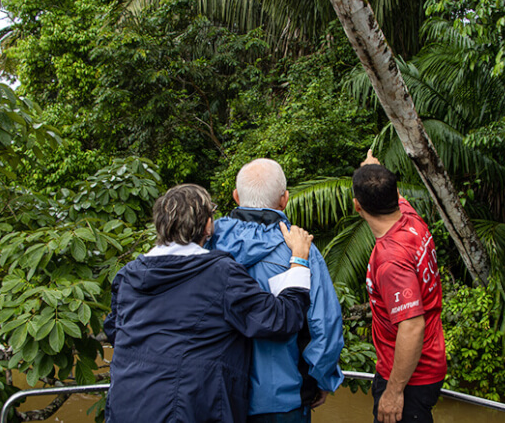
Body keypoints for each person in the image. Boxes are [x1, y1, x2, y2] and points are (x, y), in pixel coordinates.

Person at [104, 184, 315, 423]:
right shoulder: (219, 273)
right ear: (207, 225)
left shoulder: (128, 275)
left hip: (126, 405)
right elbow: (280, 319)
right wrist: (299, 259)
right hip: (190, 409)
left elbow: (114, 330)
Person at [208, 158, 344, 422]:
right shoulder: (301, 249)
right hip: (282, 397)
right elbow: (324, 326)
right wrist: (322, 380)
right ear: (284, 199)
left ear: (236, 196)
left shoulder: (206, 244)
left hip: (217, 395)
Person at [352, 151, 446, 423]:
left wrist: (393, 392)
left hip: (409, 378)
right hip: (427, 363)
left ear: (358, 206)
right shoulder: (409, 218)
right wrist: (372, 168)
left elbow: (412, 325)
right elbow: (383, 189)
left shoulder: (391, 259)